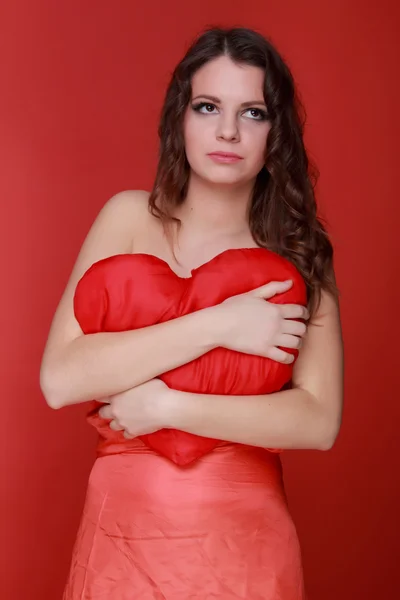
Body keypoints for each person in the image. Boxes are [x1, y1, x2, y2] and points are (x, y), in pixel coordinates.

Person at [40, 26, 344, 600]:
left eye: (252, 112)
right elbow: (60, 379)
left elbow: (318, 421)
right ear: (181, 117)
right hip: (120, 543)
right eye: (208, 107)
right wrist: (221, 323)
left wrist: (168, 406)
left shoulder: (299, 251)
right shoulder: (128, 218)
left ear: (276, 131)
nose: (228, 131)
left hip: (243, 549)